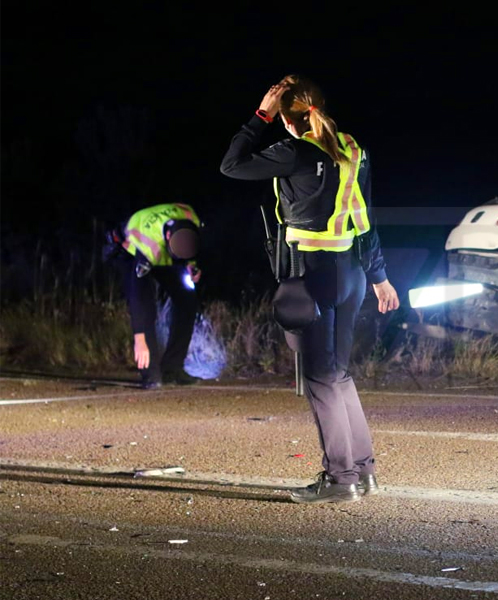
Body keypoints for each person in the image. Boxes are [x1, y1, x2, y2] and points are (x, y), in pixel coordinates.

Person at [220, 74, 400, 505]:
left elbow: (231, 164)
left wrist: (259, 115)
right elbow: (366, 217)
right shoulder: (351, 149)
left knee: (321, 377)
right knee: (339, 372)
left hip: (311, 274)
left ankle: (340, 479)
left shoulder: (293, 151)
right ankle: (364, 471)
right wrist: (380, 277)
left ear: (286, 117)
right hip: (350, 273)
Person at [106, 203, 203, 389]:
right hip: (130, 250)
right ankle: (150, 373)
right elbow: (139, 298)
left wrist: (191, 264)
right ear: (167, 237)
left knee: (187, 297)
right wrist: (139, 338)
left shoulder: (192, 219)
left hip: (165, 251)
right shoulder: (149, 246)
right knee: (147, 305)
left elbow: (189, 245)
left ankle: (172, 368)